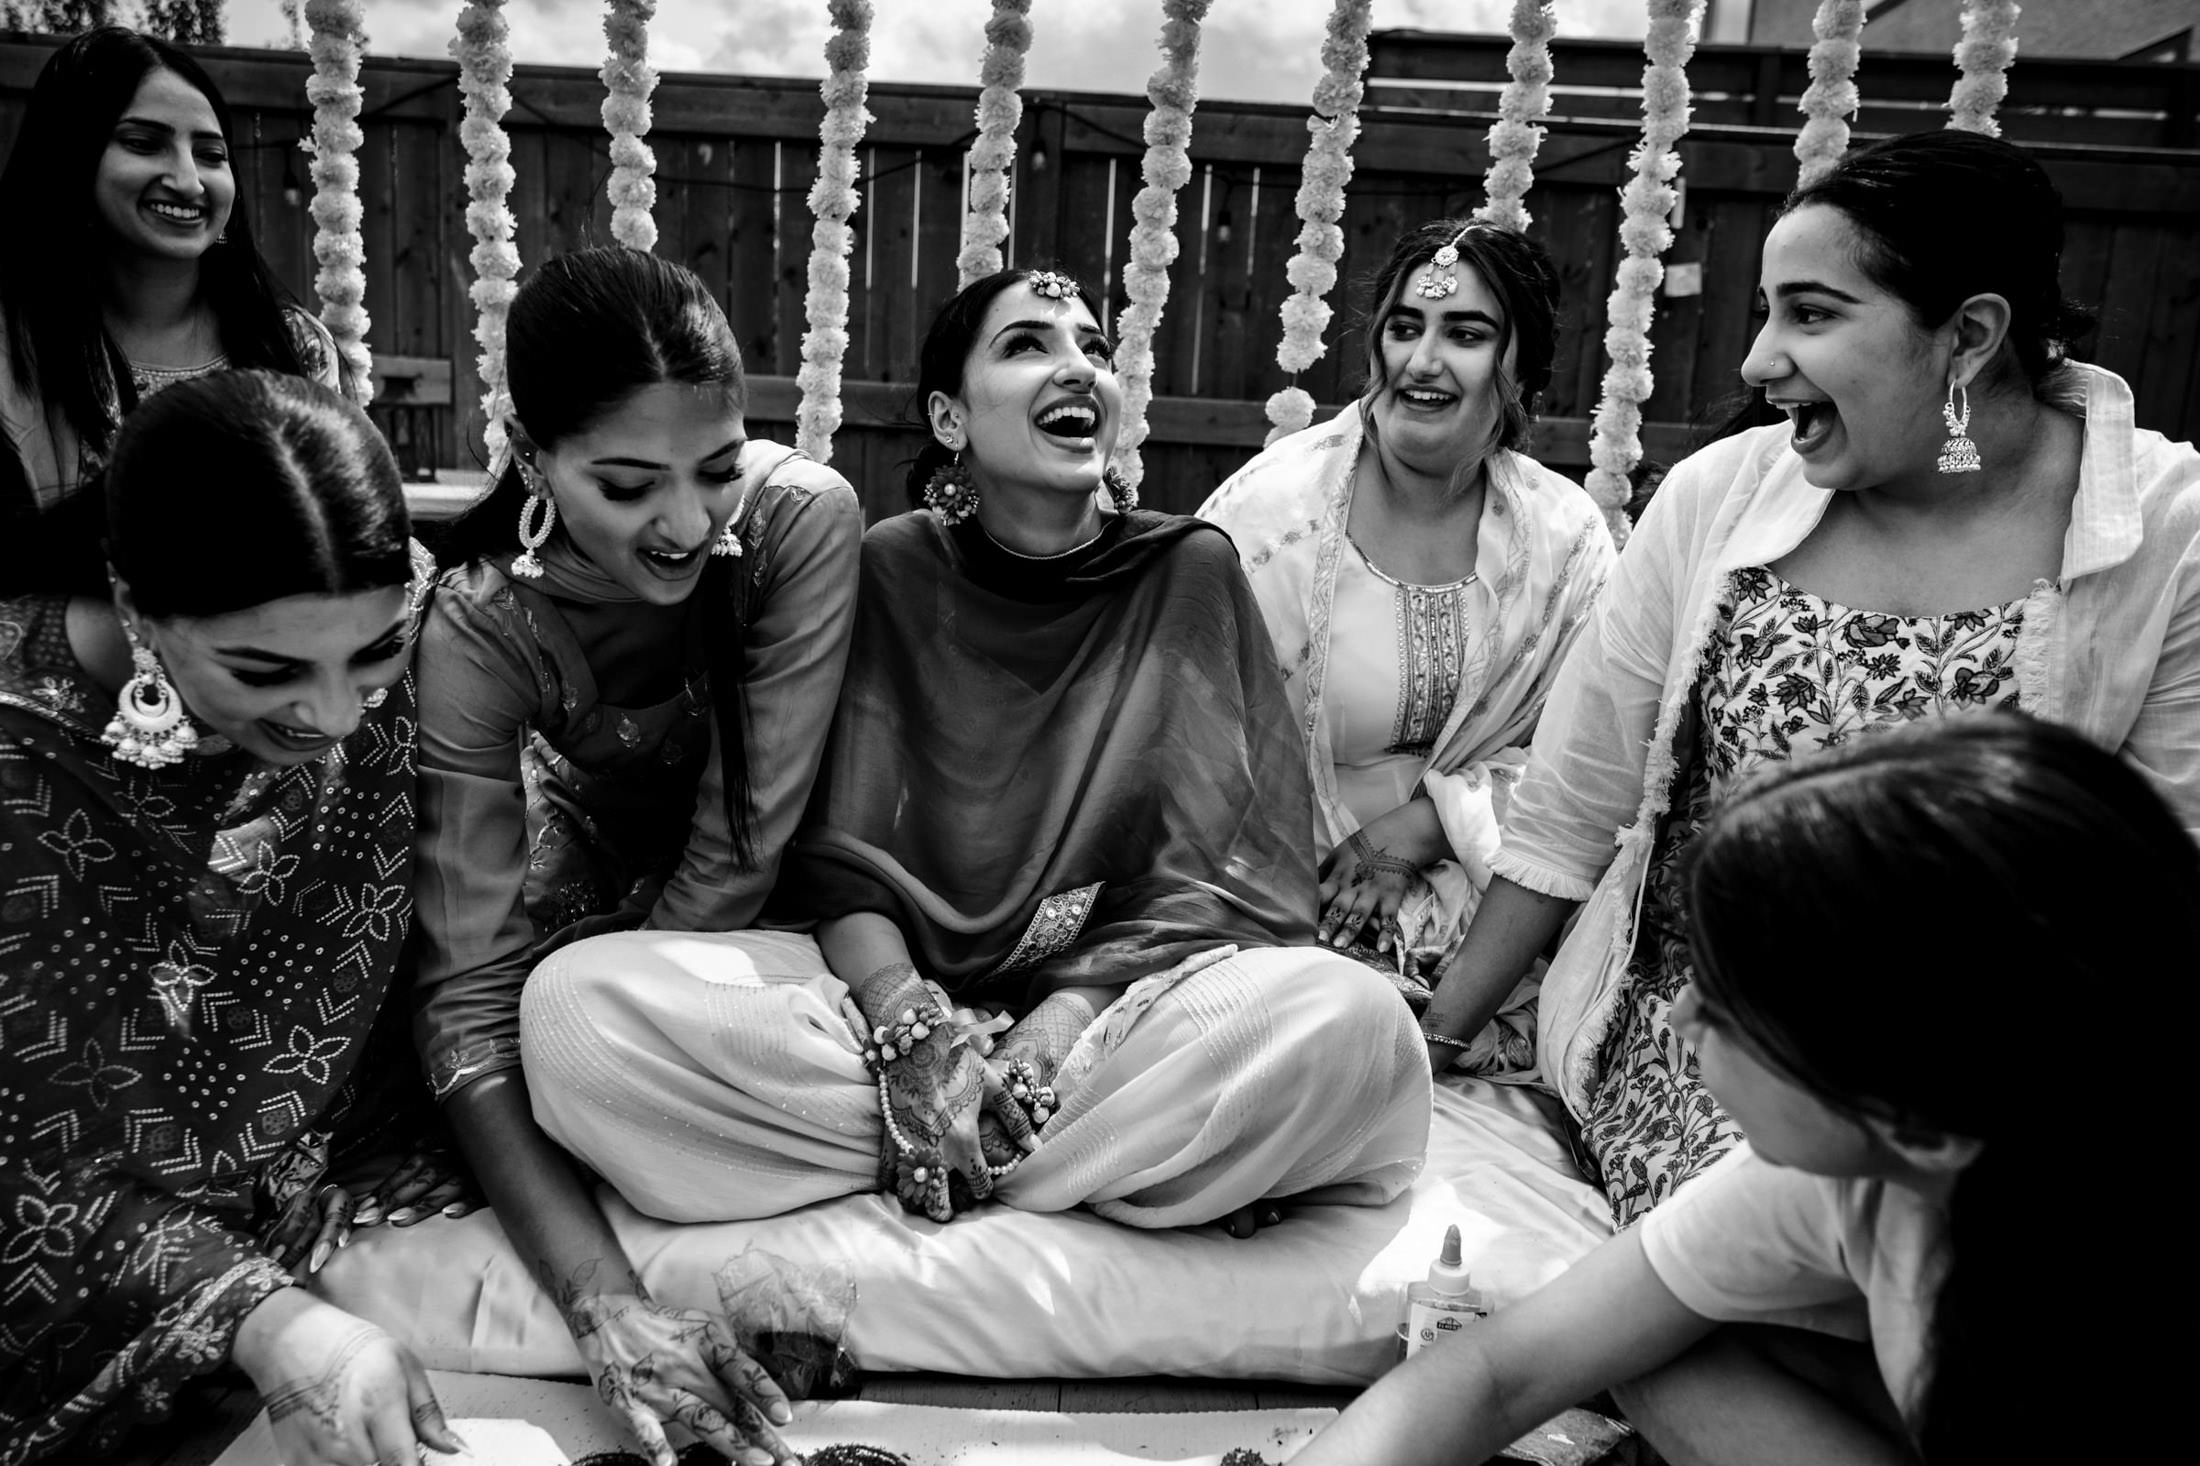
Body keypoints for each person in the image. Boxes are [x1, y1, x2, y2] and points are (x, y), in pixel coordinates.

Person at [517, 265, 1429, 1248]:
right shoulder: (891, 568)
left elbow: (1205, 890)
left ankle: (962, 1138)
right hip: (871, 999)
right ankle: (1067, 1156)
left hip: (1110, 1017)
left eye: (1091, 346)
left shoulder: (1186, 572)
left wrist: (1049, 1032)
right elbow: (837, 867)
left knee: (1350, 1021)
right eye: (1028, 344)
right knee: (576, 1013)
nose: (1076, 367)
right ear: (949, 419)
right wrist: (913, 1028)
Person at [1418, 130, 2200, 1229]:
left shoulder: (2168, 532)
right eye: (1766, 311)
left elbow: (2159, 885)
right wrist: (1437, 1040)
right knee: (1750, 1272)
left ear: (1969, 336)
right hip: (1719, 1052)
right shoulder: (1717, 497)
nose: (1757, 361)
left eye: (1813, 313)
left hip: (1996, 1065)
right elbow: (1569, 812)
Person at [1293, 714, 2194, 1466]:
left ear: (1917, 1113)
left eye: (1727, 1005)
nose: (1678, 1017)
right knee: (1657, 1344)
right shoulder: (1851, 1171)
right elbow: (1499, 1373)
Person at [410, 246, 859, 1466]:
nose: (684, 523)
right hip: (607, 948)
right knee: (550, 1016)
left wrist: (617, 1024)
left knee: (582, 1016)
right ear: (528, 449)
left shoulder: (794, 519)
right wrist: (602, 1299)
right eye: (627, 484)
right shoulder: (479, 628)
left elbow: (749, 841)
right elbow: (465, 992)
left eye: (715, 470)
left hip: (806, 915)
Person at [0, 371, 461, 1465]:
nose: (337, 713)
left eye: (375, 655)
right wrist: (261, 1313)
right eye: (268, 671)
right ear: (133, 601)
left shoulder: (379, 661)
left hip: (323, 1187)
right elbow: (24, 1150)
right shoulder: (16, 755)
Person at [1199, 220, 1613, 1075]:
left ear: (1523, 367)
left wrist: (1425, 823)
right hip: (1270, 898)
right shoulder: (1270, 517)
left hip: (1497, 919)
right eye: (1403, 328)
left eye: (1466, 334)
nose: (1425, 361)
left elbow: (1594, 758)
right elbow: (1189, 748)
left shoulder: (1566, 541)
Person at [0, 27, 347, 520]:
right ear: (68, 160)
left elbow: (342, 537)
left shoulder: (293, 344)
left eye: (210, 155)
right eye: (143, 143)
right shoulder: (16, 349)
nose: (188, 182)